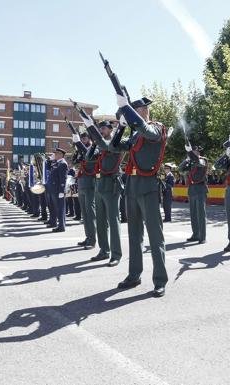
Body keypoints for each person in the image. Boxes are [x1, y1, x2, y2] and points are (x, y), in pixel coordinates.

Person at [83, 95, 167, 297]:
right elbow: (111, 147)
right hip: (132, 186)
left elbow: (146, 130)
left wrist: (126, 108)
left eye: (136, 111)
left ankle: (159, 280)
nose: (135, 115)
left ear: (144, 111)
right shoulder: (135, 136)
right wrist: (99, 128)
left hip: (148, 186)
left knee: (155, 237)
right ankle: (134, 275)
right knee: (134, 235)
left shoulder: (156, 128)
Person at [80, 120, 124, 266]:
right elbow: (88, 158)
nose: (101, 131)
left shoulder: (115, 142)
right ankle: (104, 250)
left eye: (103, 129)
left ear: (111, 130)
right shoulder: (99, 144)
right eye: (100, 129)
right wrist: (93, 144)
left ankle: (116, 254)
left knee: (113, 220)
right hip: (99, 184)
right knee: (100, 221)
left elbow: (110, 149)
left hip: (111, 184)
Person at [72, 133, 98, 249]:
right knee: (85, 213)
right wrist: (77, 149)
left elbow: (89, 155)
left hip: (90, 183)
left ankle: (92, 240)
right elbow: (74, 162)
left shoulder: (93, 149)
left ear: (89, 139)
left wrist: (79, 145)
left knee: (90, 213)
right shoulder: (81, 150)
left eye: (85, 138)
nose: (83, 140)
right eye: (81, 138)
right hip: (82, 182)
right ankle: (88, 237)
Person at [178, 145, 208, 243]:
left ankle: (202, 237)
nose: (194, 153)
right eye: (193, 151)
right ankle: (195, 234)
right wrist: (186, 159)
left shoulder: (203, 160)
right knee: (193, 214)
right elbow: (180, 169)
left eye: (195, 151)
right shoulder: (190, 162)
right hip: (192, 189)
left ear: (198, 152)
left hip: (200, 188)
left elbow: (199, 164)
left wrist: (190, 153)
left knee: (201, 214)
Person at [47, 148, 68, 232]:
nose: (54, 155)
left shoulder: (63, 164)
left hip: (58, 190)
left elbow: (63, 178)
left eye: (56, 154)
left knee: (60, 208)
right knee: (56, 208)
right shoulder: (57, 163)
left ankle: (61, 226)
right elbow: (48, 168)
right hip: (53, 189)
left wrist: (62, 191)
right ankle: (60, 225)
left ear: (60, 154)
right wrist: (49, 160)